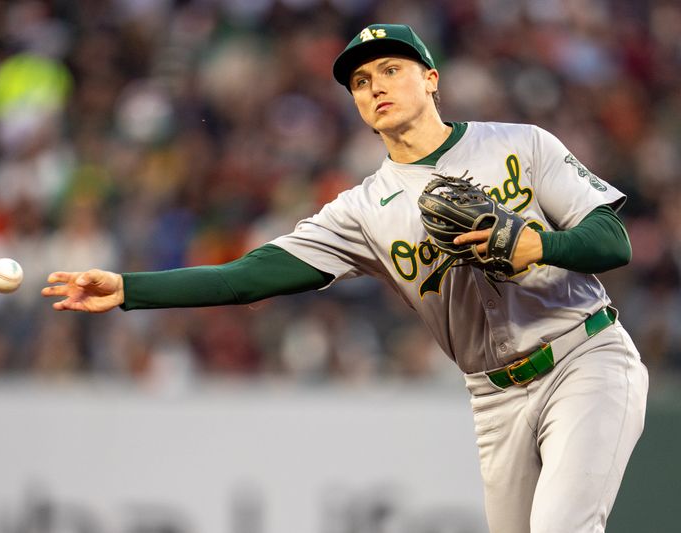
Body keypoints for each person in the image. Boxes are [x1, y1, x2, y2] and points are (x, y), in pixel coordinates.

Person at [42, 24, 648, 533]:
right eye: (361, 82)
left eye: (390, 69)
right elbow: (250, 277)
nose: (375, 86)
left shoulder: (520, 144)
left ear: (431, 79)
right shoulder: (364, 208)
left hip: (583, 356)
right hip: (493, 397)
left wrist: (539, 242)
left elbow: (612, 240)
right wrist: (130, 289)